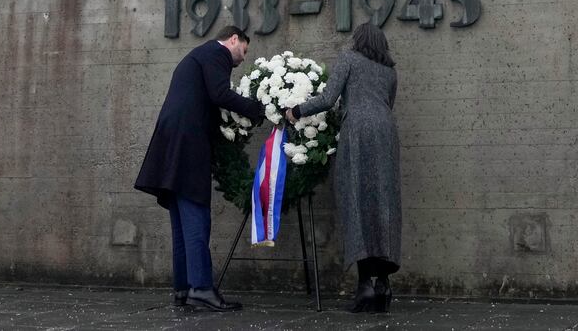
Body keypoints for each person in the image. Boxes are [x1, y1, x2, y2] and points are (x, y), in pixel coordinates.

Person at [135, 25, 264, 312]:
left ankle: (184, 288)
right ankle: (202, 289)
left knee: (181, 222)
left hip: (172, 142)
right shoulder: (216, 54)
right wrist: (254, 109)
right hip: (187, 143)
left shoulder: (199, 56)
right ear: (233, 39)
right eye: (244, 49)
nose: (243, 58)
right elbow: (219, 93)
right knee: (196, 217)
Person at [287, 22, 402, 313]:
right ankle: (383, 284)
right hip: (386, 133)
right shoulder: (390, 71)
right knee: (384, 204)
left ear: (358, 40)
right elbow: (388, 103)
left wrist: (296, 110)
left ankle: (364, 284)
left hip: (358, 133)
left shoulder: (350, 59)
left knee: (356, 201)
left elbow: (328, 98)